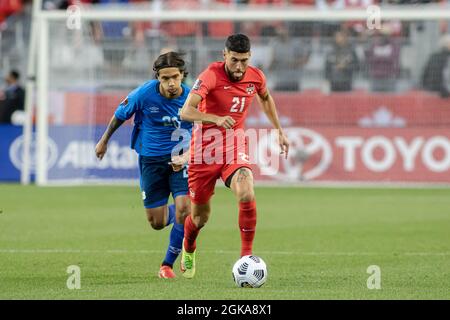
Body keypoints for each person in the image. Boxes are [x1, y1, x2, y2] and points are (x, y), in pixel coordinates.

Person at [179, 34, 290, 279]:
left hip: (233, 144)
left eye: (244, 60)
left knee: (246, 190)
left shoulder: (256, 76)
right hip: (204, 151)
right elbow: (186, 111)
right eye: (234, 60)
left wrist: (279, 131)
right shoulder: (210, 75)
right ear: (224, 55)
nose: (239, 67)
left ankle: (246, 258)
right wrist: (216, 119)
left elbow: (266, 97)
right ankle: (189, 246)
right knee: (199, 218)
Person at [95, 52, 192, 279]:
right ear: (157, 77)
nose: (170, 83)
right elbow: (120, 115)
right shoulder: (143, 94)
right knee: (156, 222)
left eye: (175, 77)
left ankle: (166, 265)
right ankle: (184, 215)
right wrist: (104, 140)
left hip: (181, 160)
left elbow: (206, 128)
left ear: (182, 75)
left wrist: (189, 154)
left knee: (183, 208)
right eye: (165, 78)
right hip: (151, 161)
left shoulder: (192, 97)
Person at [422, 34, 450, 99]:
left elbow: (424, 74)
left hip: (429, 91)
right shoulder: (447, 58)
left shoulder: (433, 56)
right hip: (444, 93)